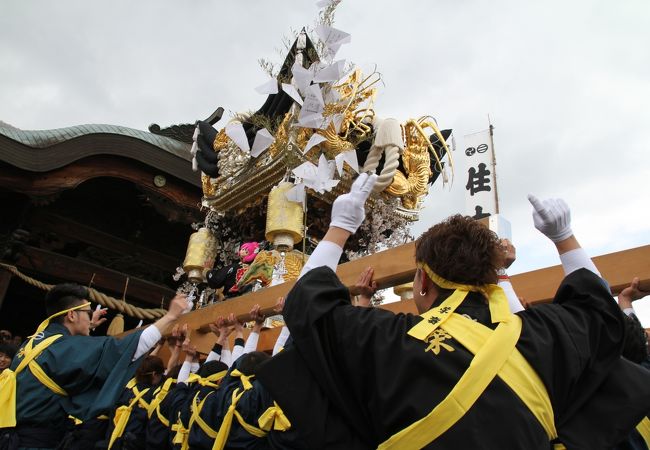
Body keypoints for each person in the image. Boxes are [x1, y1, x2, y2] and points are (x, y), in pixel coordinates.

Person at [257, 173, 650, 449]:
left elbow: (304, 305)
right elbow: (600, 308)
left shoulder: (383, 340)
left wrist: (341, 225)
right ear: (491, 277)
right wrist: (564, 236)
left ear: (423, 282)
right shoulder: (547, 333)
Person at [0, 283, 188, 450]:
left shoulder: (34, 342)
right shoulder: (65, 348)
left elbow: (71, 357)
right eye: (88, 313)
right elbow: (126, 348)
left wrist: (87, 325)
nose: (90, 317)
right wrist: (170, 316)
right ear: (72, 315)